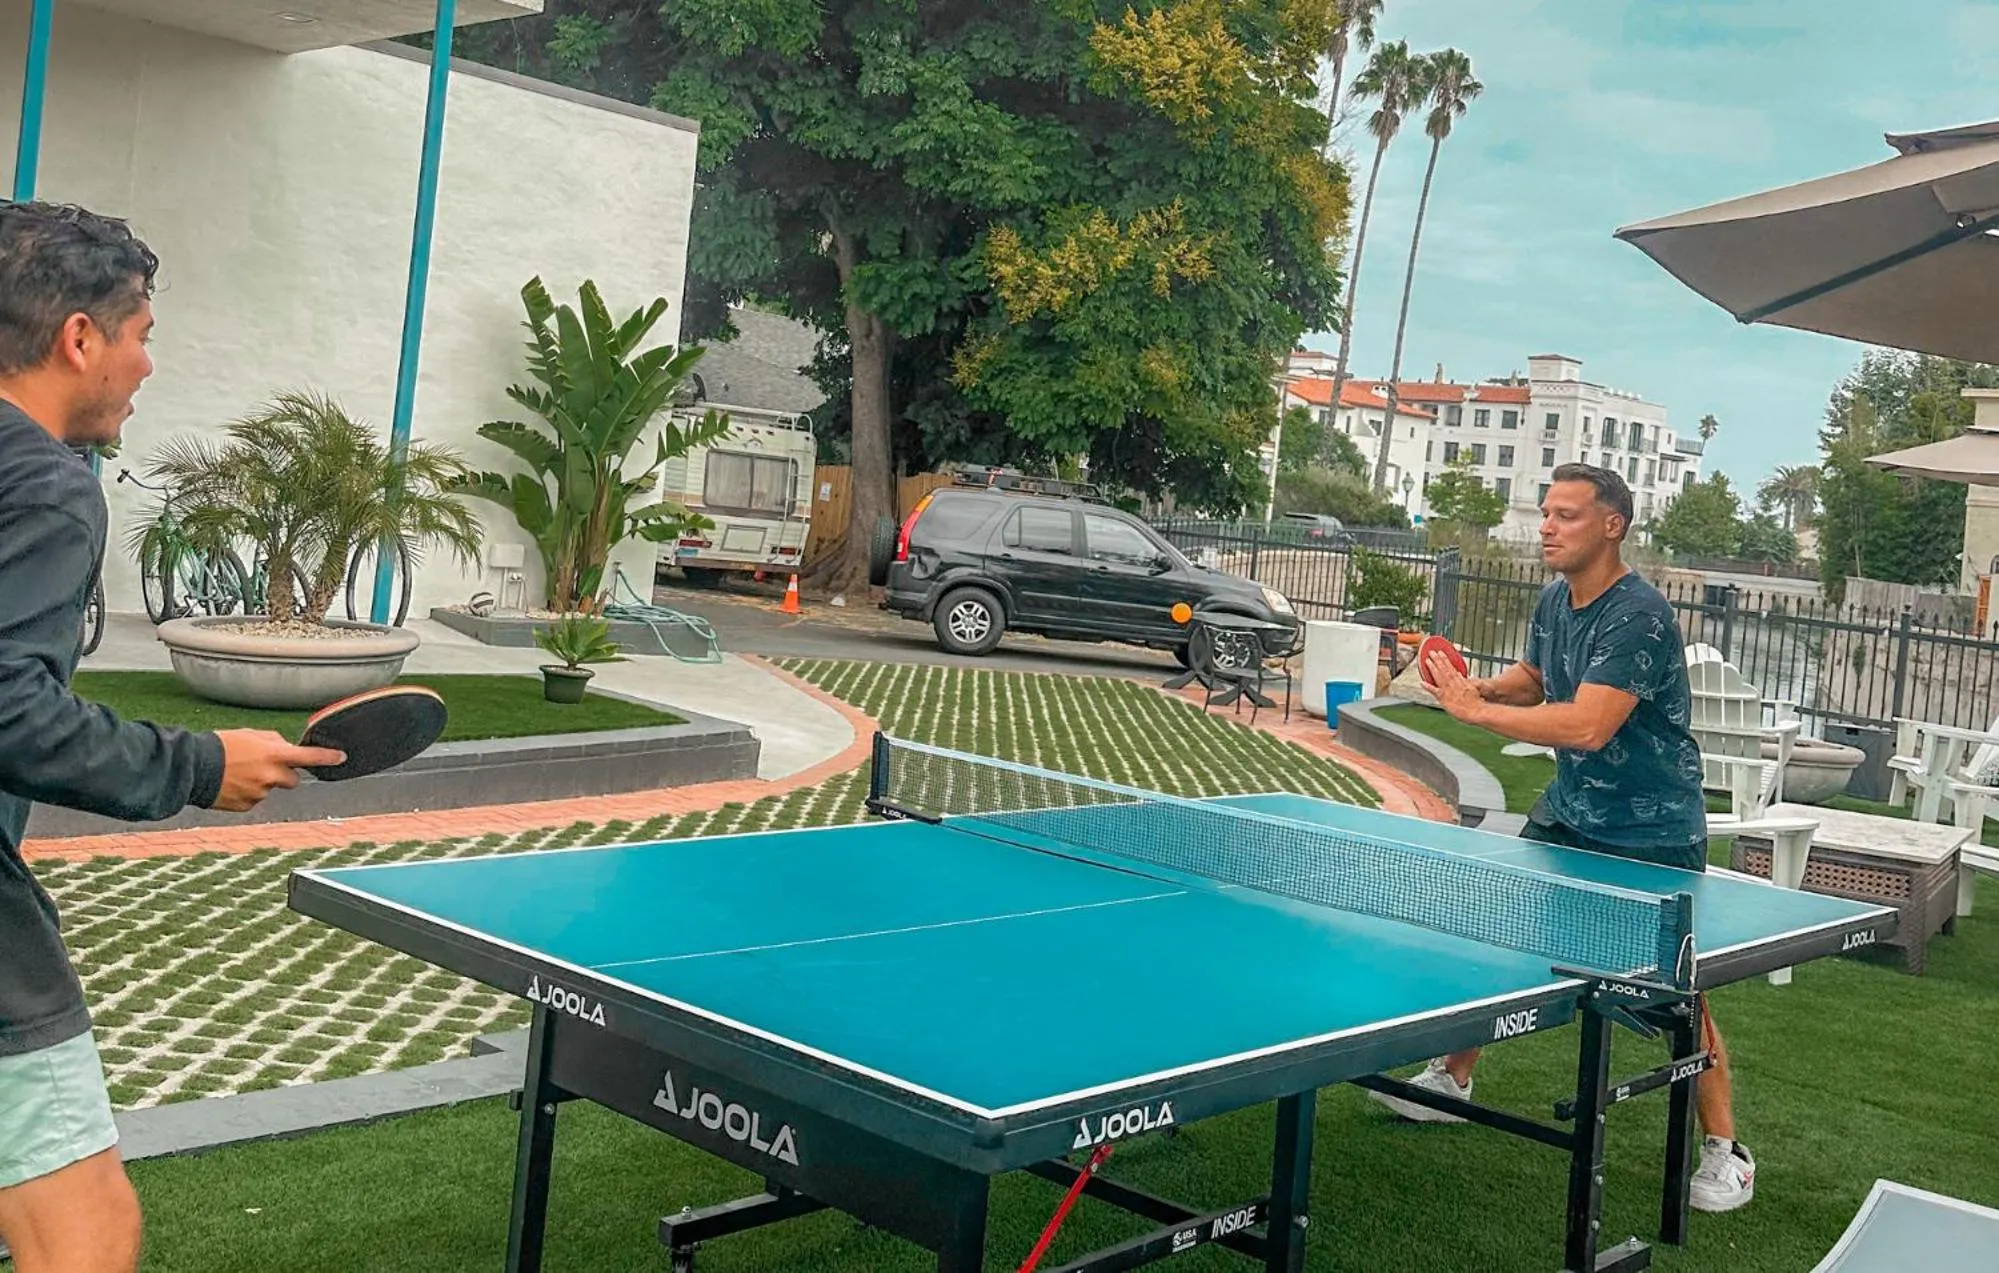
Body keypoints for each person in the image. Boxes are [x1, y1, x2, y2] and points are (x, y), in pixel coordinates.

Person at [0, 200, 345, 1272]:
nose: (148, 363)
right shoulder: (44, 483)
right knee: (85, 1233)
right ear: (80, 338)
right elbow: (6, 708)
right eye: (142, 330)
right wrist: (202, 763)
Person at [1367, 462, 1755, 1215]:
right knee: (1496, 930)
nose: (1546, 526)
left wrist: (1474, 717)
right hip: (1571, 809)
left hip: (1650, 829)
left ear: (1611, 525)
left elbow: (1585, 721)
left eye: (1566, 515)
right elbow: (1537, 678)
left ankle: (1725, 1151)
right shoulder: (1556, 598)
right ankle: (1453, 1078)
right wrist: (1477, 687)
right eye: (1545, 513)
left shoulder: (1637, 615)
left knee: (1677, 994)